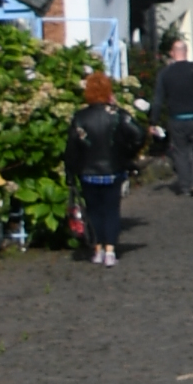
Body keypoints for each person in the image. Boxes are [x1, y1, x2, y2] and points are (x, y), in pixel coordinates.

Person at [65, 70, 141, 269]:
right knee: (111, 210)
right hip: (113, 170)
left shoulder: (80, 117)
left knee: (94, 211)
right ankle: (110, 251)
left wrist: (70, 172)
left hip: (88, 172)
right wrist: (127, 154)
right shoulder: (117, 114)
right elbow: (139, 134)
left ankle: (97, 249)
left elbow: (72, 148)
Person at [153, 34, 193, 198]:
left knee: (181, 152)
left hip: (176, 119)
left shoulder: (165, 73)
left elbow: (158, 99)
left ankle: (185, 186)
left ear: (172, 53)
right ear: (186, 52)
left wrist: (153, 121)